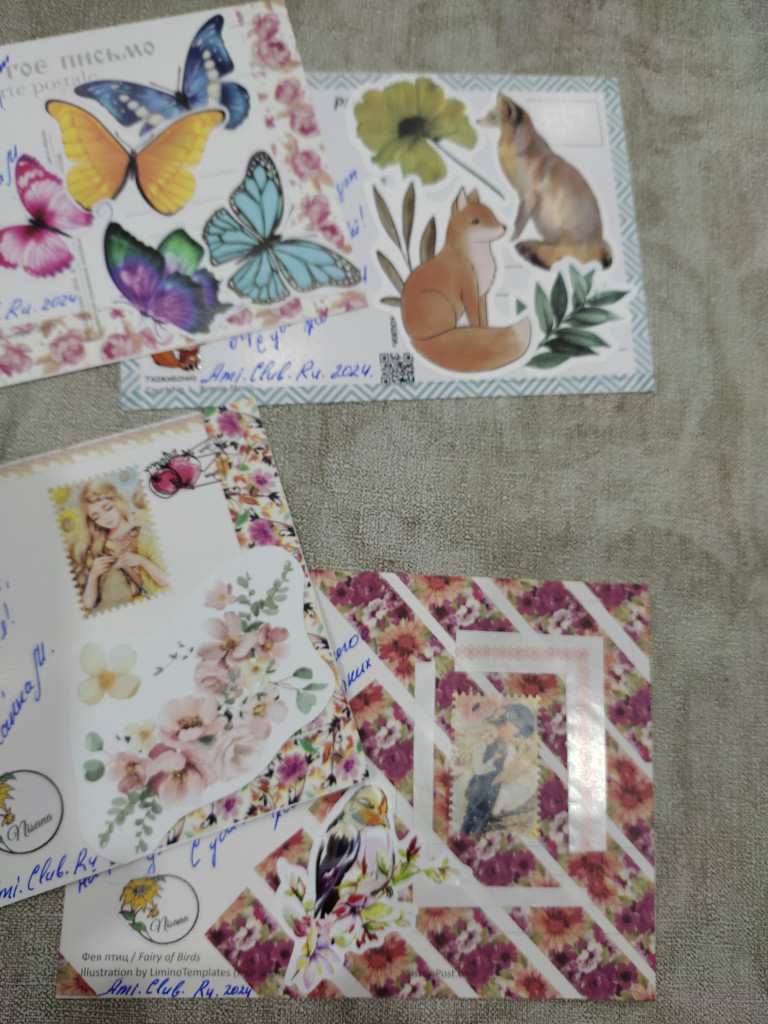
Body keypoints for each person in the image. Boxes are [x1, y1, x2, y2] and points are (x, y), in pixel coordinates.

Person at [71, 480, 169, 613]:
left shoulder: (145, 534)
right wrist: (93, 575)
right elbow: (89, 604)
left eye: (108, 508)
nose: (105, 518)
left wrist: (142, 561)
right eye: (96, 517)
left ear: (118, 502)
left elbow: (166, 581)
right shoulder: (99, 547)